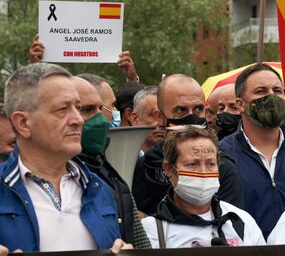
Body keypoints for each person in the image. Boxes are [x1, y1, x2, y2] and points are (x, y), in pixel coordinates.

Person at [0, 63, 131, 252]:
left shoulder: (99, 188)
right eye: (62, 109)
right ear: (23, 123)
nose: (78, 120)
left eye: (78, 108)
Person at [220, 63, 285, 239]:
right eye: (261, 91)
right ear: (240, 104)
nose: (271, 97)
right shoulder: (221, 155)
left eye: (277, 90)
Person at [132, 74, 243, 216]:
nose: (192, 118)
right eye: (181, 110)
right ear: (160, 117)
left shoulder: (222, 167)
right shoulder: (143, 167)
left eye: (198, 109)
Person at [141, 126, 265, 247]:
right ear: (168, 169)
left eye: (211, 164)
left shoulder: (241, 221)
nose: (204, 172)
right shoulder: (151, 231)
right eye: (192, 164)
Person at [72, 76, 151, 248]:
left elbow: (140, 245)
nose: (100, 118)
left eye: (102, 108)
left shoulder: (112, 179)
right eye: (87, 109)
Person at [131, 86, 165, 154]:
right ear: (135, 119)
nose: (162, 123)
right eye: (153, 115)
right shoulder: (121, 158)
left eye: (164, 116)